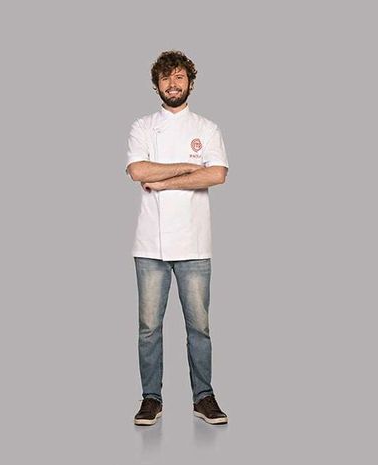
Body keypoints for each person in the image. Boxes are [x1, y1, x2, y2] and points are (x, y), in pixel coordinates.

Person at [125, 50, 229, 426]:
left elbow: (217, 174)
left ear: (190, 83)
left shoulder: (207, 128)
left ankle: (204, 397)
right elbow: (138, 170)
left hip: (195, 243)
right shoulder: (142, 126)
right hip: (150, 244)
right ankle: (151, 398)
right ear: (157, 85)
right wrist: (188, 167)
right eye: (166, 78)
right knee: (149, 328)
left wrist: (164, 180)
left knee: (199, 326)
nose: (173, 83)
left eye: (179, 77)